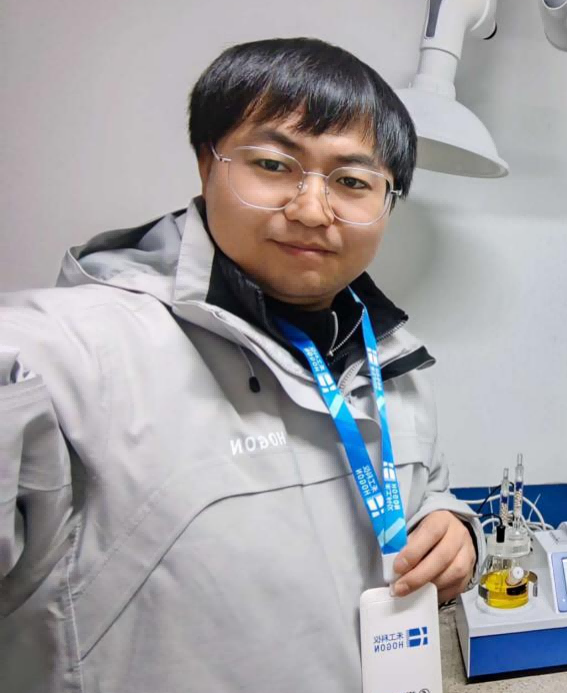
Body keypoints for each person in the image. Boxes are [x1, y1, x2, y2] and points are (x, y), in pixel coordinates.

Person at [0, 38, 483, 691]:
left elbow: (424, 495)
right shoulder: (69, 357)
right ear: (207, 163)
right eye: (274, 165)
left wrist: (453, 529)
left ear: (386, 203)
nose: (311, 209)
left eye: (351, 182)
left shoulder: (393, 364)